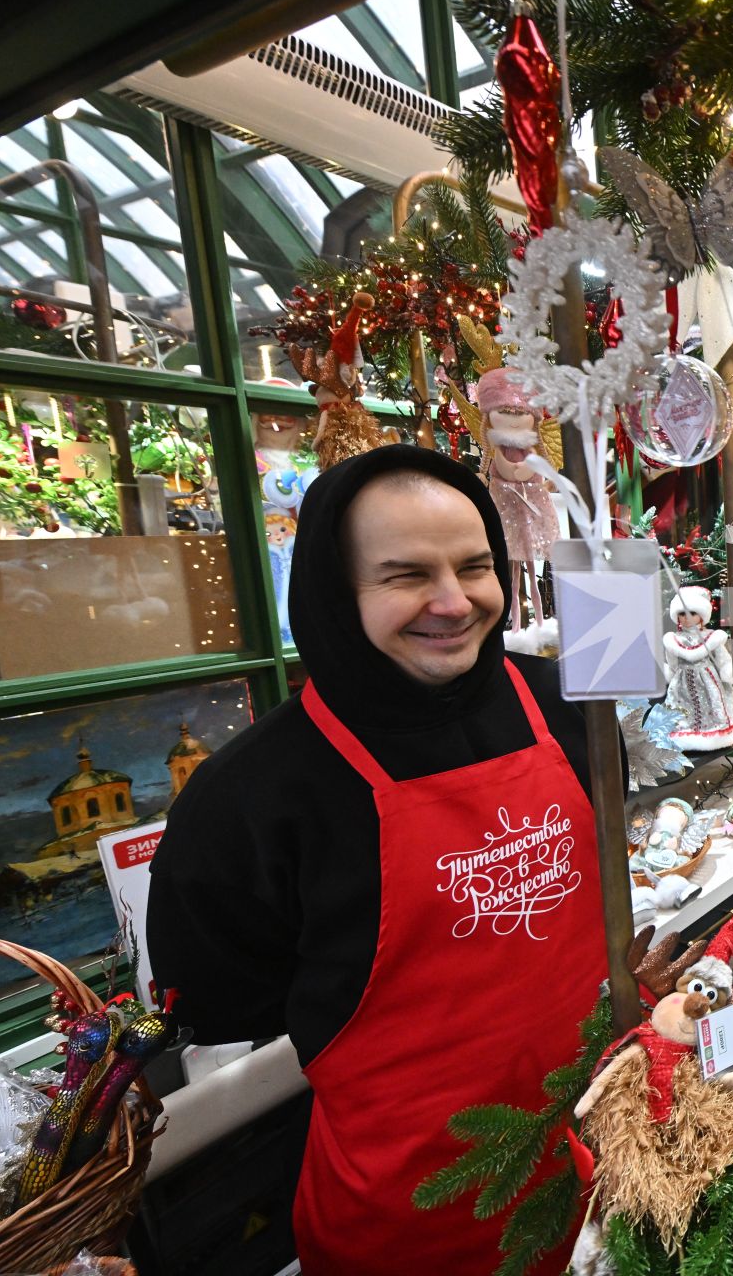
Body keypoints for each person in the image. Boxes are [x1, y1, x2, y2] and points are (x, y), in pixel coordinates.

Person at [147, 445, 612, 1276]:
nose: (452, 601)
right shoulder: (251, 795)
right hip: (412, 1219)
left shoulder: (565, 702)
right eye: (404, 576)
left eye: (475, 567)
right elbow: (221, 999)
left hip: (605, 1157)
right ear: (335, 592)